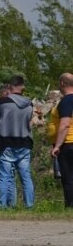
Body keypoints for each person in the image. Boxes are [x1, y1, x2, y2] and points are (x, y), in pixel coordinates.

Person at [0, 75, 35, 209]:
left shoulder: (4, 102)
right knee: (26, 177)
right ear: (22, 87)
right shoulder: (29, 104)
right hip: (24, 143)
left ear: (10, 86)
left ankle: (2, 206)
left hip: (6, 143)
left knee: (4, 176)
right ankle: (29, 205)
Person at [49, 73, 73, 207]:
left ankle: (70, 206)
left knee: (68, 177)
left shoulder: (67, 100)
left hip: (68, 143)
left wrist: (57, 145)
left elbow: (65, 124)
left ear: (63, 83)